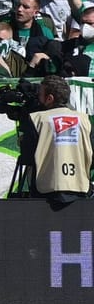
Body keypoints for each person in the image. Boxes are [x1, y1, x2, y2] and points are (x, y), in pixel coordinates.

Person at [11, 75, 92, 208]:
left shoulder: (37, 119)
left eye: (40, 95)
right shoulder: (85, 120)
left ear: (49, 99)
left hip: (45, 192)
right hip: (81, 188)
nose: (38, 98)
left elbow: (27, 157)